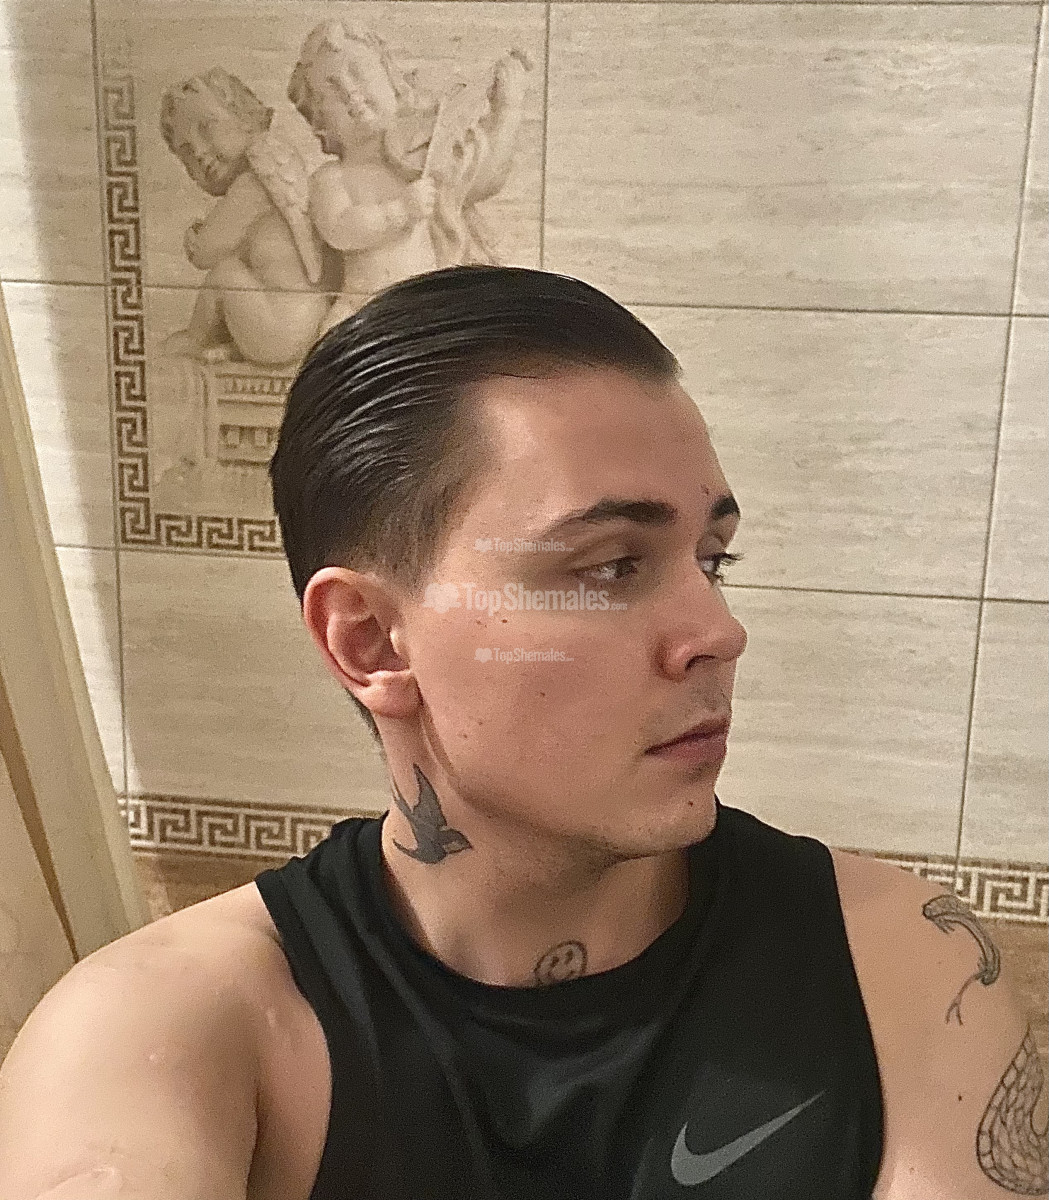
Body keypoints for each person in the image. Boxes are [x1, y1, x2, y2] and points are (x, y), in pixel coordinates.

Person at [0, 266, 1044, 1200]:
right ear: (370, 641)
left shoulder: (908, 969)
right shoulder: (170, 1031)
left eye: (711, 559)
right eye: (610, 566)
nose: (719, 633)